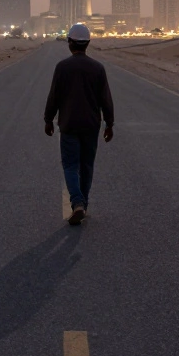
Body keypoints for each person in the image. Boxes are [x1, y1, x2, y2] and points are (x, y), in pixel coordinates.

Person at [44, 23, 115, 225]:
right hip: (91, 126)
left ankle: (77, 203)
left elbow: (53, 97)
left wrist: (48, 120)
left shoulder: (62, 67)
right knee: (86, 166)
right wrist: (109, 123)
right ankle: (83, 203)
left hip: (68, 125)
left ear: (70, 43)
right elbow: (106, 99)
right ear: (88, 43)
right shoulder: (98, 68)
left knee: (70, 165)